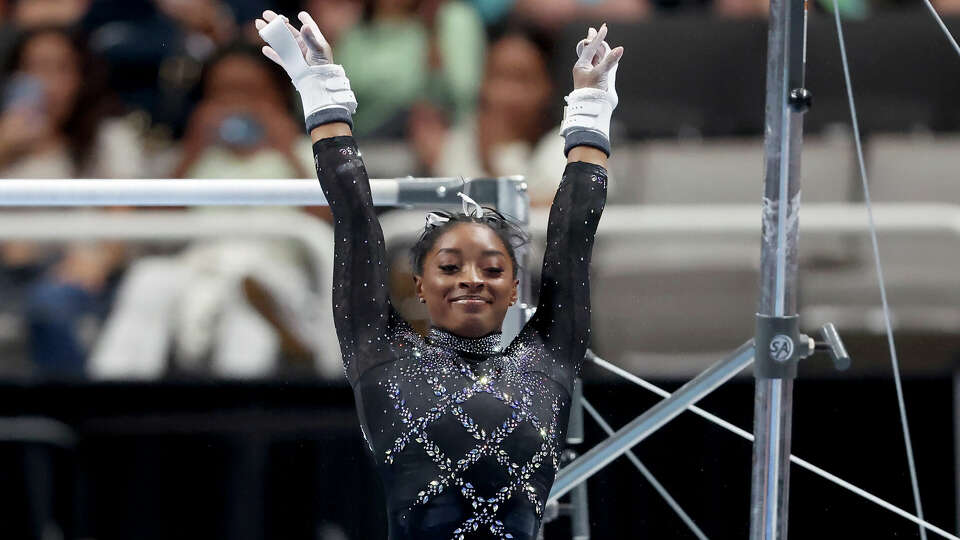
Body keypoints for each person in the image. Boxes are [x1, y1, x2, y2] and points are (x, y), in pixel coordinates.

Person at [257, 8, 621, 539]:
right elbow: (355, 218)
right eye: (450, 267)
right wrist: (322, 91)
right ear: (420, 286)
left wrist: (591, 106)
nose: (472, 278)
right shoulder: (379, 355)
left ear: (516, 287)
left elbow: (572, 236)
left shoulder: (548, 356)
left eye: (492, 268)